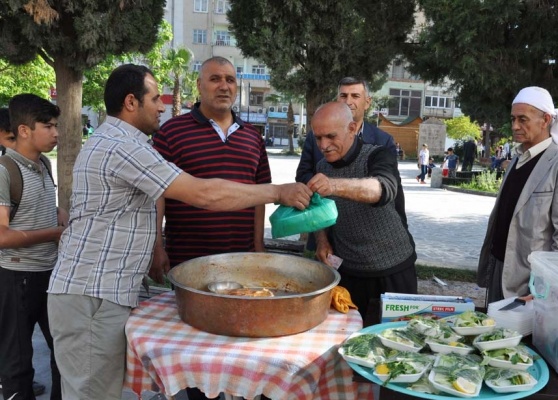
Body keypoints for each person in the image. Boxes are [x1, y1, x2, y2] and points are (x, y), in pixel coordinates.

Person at [47, 64, 312, 400]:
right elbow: (204, 194)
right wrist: (277, 192)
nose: (162, 106)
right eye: (155, 98)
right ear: (131, 102)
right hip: (91, 296)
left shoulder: (124, 142)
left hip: (100, 293)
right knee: (90, 394)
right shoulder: (121, 146)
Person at [153, 57, 272, 270]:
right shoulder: (171, 133)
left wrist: (258, 246)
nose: (224, 86)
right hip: (187, 262)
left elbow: (260, 195)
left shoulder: (253, 136)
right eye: (215, 79)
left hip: (241, 259)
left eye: (230, 80)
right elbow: (157, 194)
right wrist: (156, 247)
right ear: (199, 85)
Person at [307, 102, 417, 323]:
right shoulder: (322, 167)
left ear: (352, 128)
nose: (323, 145)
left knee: (397, 343)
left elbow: (382, 189)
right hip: (348, 273)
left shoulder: (379, 155)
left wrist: (334, 186)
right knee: (349, 341)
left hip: (392, 271)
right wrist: (321, 240)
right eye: (318, 138)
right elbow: (319, 209)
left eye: (330, 136)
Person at [477, 86, 558, 304]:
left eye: (523, 119)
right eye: (513, 118)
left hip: (531, 281)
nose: (515, 126)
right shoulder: (516, 160)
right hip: (499, 268)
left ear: (545, 120)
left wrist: (548, 287)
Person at [0, 94, 66, 400]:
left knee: (64, 354)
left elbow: (44, 209)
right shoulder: (5, 170)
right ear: (24, 130)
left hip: (50, 275)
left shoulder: (42, 164)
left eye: (56, 125)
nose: (55, 132)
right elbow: (1, 236)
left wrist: (66, 218)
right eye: (48, 126)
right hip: (16, 277)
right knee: (17, 364)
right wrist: (54, 232)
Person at [295, 77, 396, 184]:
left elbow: (389, 184)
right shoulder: (316, 136)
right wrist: (322, 190)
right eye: (343, 96)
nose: (348, 101)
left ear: (367, 102)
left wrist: (340, 188)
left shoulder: (384, 141)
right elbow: (303, 175)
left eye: (355, 96)